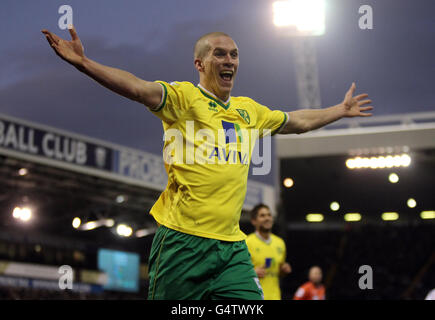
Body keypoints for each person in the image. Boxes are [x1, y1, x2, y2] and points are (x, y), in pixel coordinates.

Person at [41, 26, 373, 300]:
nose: (229, 60)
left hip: (230, 247)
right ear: (199, 64)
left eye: (234, 54)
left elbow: (296, 122)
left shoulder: (249, 111)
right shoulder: (184, 98)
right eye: (219, 53)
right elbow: (138, 88)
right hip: (182, 243)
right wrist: (84, 63)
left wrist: (339, 111)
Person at [246, 203, 292, 300]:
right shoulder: (247, 243)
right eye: (262, 216)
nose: (267, 218)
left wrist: (283, 270)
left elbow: (278, 273)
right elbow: (237, 273)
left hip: (275, 297)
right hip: (254, 298)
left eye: (269, 215)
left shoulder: (280, 243)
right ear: (254, 221)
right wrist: (251, 273)